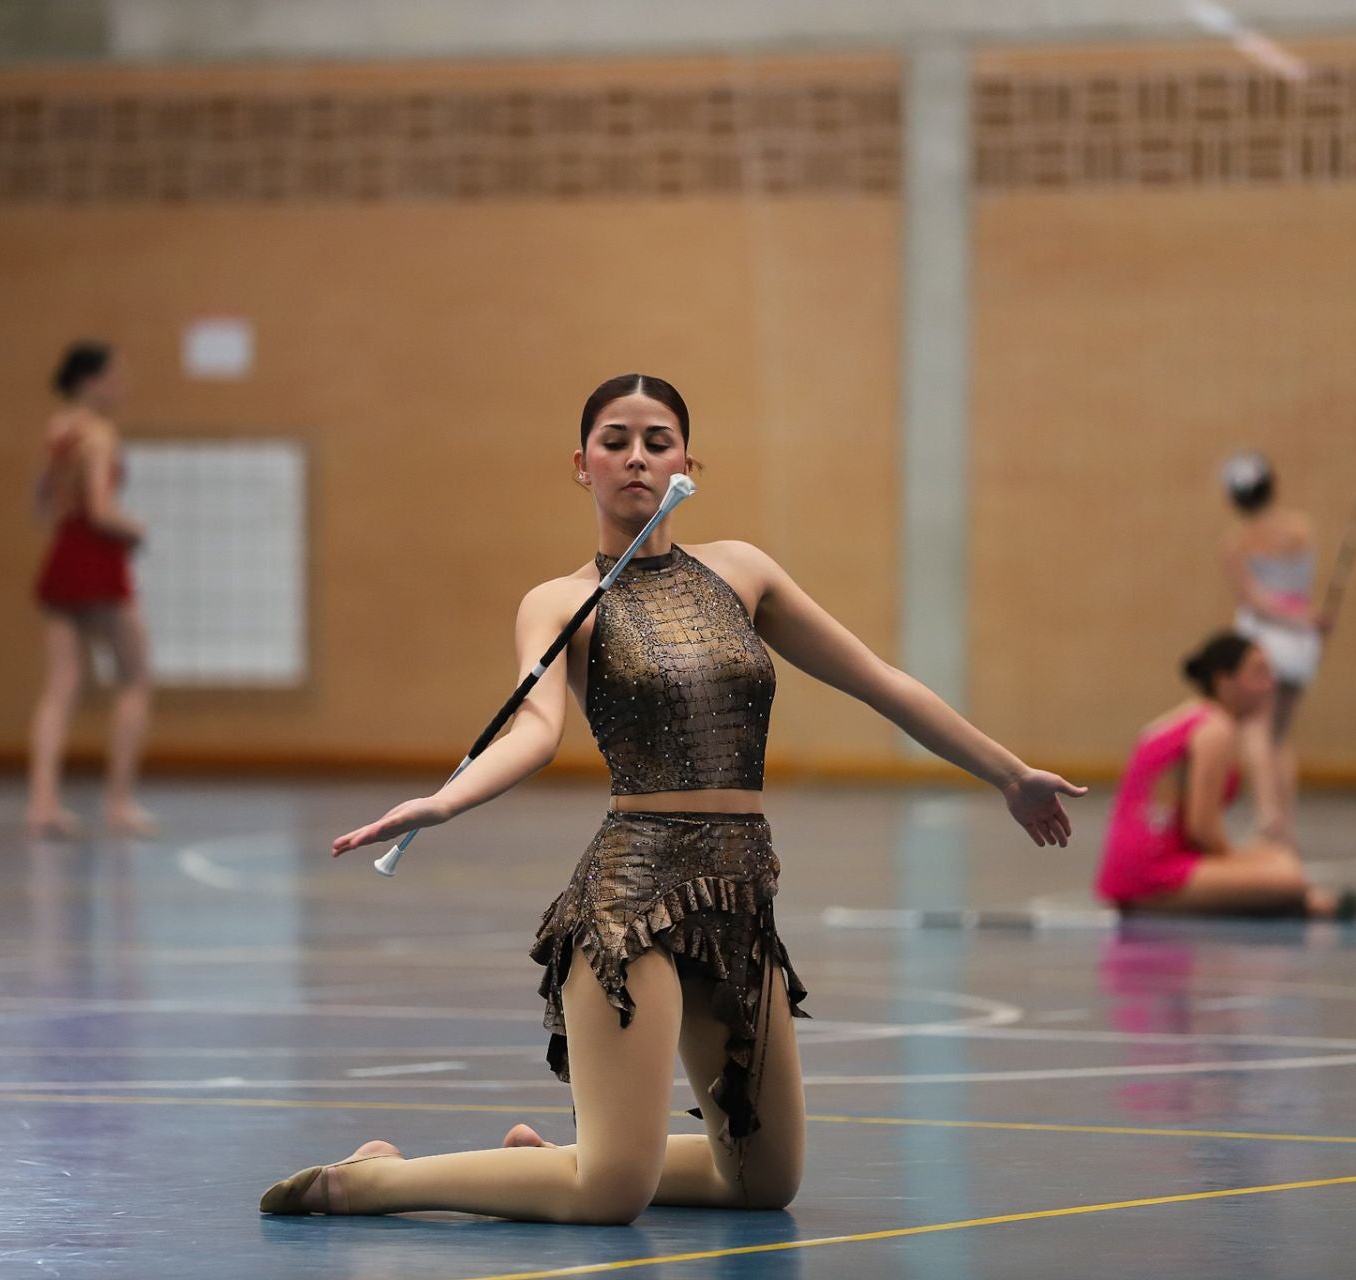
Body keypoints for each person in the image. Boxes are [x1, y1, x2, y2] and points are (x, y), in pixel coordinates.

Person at [259, 372, 1086, 1223]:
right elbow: (536, 734)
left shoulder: (743, 572)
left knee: (763, 1182)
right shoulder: (558, 602)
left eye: (658, 441)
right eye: (615, 441)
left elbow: (880, 682)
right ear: (581, 464)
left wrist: (1009, 775)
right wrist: (442, 802)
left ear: (689, 461)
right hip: (635, 897)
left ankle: (564, 1162)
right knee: (613, 1195)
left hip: (738, 895)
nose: (637, 458)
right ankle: (367, 1180)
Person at [1094, 629, 1356, 921]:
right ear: (1225, 682)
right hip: (1149, 874)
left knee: (1276, 858)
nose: (1270, 684)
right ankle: (1306, 903)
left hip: (1143, 866)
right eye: (1258, 673)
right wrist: (1239, 866)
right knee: (1286, 875)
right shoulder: (1215, 729)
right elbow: (1201, 828)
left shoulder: (1197, 718)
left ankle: (1303, 901)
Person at [25, 341, 156, 840]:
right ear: (91, 380)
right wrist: (135, 528)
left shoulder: (58, 430)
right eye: (114, 376)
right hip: (97, 559)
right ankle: (118, 801)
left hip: (62, 554)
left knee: (61, 684)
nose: (120, 385)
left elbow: (41, 504)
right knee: (136, 678)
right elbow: (101, 510)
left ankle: (42, 802)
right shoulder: (99, 434)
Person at [1219, 451, 1330, 841]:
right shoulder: (1302, 528)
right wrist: (1306, 621)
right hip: (1301, 642)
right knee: (1280, 736)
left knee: (1255, 730)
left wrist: (1292, 620)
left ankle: (1268, 818)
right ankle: (1285, 826)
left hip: (1264, 641)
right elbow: (1301, 590)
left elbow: (1256, 601)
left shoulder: (1239, 542)